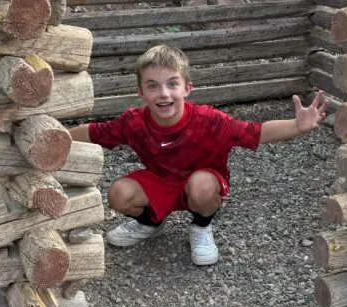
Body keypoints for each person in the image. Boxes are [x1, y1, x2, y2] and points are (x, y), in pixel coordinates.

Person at [69, 43, 326, 266]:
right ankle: (150, 223)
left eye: (172, 84)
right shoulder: (133, 122)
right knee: (118, 194)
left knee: (201, 185)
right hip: (161, 181)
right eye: (153, 86)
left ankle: (201, 227)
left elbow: (255, 132)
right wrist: (56, 136)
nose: (164, 94)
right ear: (141, 93)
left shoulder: (210, 120)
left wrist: (297, 126)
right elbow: (94, 132)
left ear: (187, 88)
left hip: (202, 182)